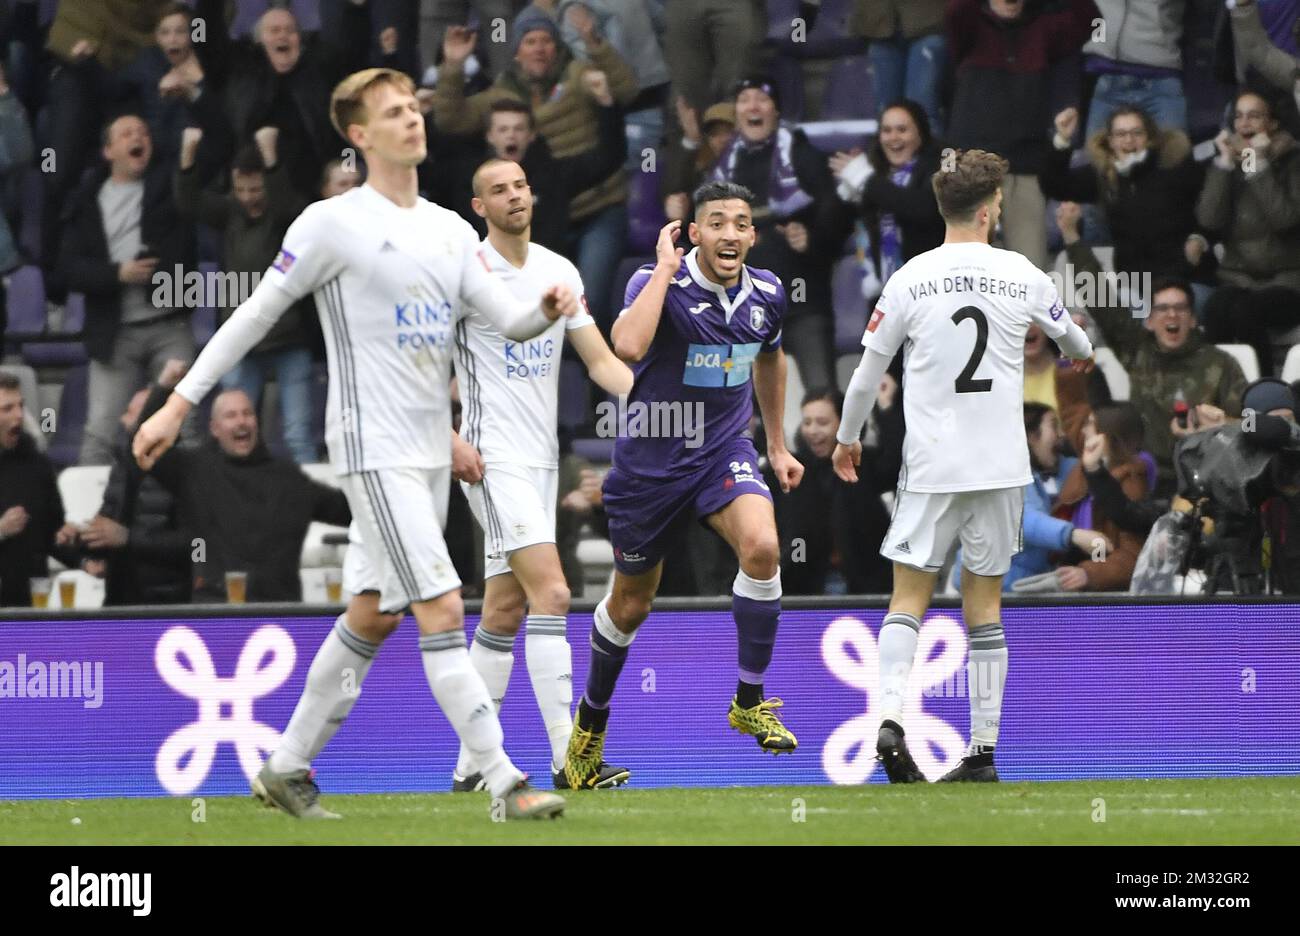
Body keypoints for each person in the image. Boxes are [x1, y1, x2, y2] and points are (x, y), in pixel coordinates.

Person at [134, 68, 581, 820]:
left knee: (374, 612)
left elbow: (507, 322)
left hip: (430, 454)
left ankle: (285, 765)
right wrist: (179, 404)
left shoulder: (447, 229)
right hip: (370, 446)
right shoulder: (328, 223)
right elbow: (251, 316)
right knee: (442, 604)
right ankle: (505, 782)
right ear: (359, 135)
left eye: (414, 107)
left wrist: (544, 307)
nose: (412, 119)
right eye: (393, 112)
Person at [832, 149, 1095, 783]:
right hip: (1001, 468)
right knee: (985, 607)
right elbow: (1078, 344)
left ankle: (891, 719)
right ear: (987, 210)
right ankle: (981, 752)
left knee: (908, 598)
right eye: (1000, 202)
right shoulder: (1022, 273)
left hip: (931, 466)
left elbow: (868, 374)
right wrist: (1075, 353)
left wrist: (847, 440)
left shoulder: (909, 278)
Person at [562, 180, 805, 789]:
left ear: (752, 235)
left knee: (764, 548)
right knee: (630, 605)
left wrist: (775, 442)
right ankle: (587, 735)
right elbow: (627, 346)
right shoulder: (654, 281)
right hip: (650, 466)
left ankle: (749, 699)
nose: (731, 233)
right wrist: (666, 270)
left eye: (742, 223)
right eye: (717, 222)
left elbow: (770, 358)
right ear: (694, 233)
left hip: (723, 451)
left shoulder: (769, 292)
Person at [446, 157, 633, 791]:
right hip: (489, 457)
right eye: (498, 189)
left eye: (521, 185)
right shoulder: (463, 273)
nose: (514, 196)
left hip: (542, 459)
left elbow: (601, 360)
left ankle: (471, 768)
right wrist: (446, 439)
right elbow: (413, 365)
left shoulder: (560, 270)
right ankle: (568, 760)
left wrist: (652, 403)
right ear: (480, 207)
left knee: (503, 609)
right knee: (552, 595)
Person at [59, 113, 196, 465]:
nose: (139, 138)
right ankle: (90, 517)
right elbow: (69, 269)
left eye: (144, 132)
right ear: (108, 151)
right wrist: (119, 273)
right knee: (101, 430)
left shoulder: (169, 188)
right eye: (127, 134)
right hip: (114, 332)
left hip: (169, 323)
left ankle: (198, 515)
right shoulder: (85, 200)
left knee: (187, 424)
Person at [0, 373, 79, 607]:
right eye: (7, 409)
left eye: (20, 406)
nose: (19, 415)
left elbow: (53, 530)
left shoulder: (36, 464)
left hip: (30, 605)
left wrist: (77, 552)